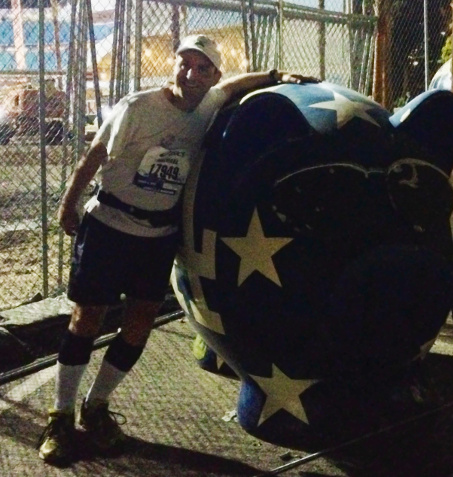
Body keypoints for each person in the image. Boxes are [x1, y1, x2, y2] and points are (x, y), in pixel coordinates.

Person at [37, 34, 318, 464]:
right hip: (111, 225)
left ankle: (95, 409)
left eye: (202, 67)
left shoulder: (207, 105)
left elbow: (236, 86)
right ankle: (60, 416)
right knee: (86, 317)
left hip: (157, 236)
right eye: (185, 64)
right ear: (174, 65)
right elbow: (94, 155)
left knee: (140, 322)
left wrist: (278, 76)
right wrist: (67, 204)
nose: (191, 73)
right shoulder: (138, 106)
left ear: (213, 75)